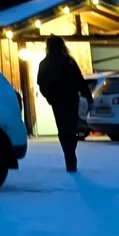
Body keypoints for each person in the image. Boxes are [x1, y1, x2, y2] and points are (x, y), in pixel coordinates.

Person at [36, 37, 88, 173]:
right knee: (71, 128)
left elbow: (41, 84)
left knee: (63, 129)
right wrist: (87, 95)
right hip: (71, 99)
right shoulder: (69, 62)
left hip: (58, 101)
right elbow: (80, 80)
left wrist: (50, 97)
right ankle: (70, 154)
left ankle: (69, 154)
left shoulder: (45, 64)